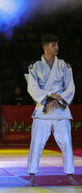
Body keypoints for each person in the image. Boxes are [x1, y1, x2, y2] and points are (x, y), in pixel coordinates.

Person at [26, 34, 78, 186]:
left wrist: (57, 100)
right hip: (43, 110)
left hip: (61, 110)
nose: (57, 48)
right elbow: (32, 88)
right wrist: (48, 97)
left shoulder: (64, 65)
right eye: (54, 45)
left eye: (57, 45)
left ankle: (70, 175)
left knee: (66, 143)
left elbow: (70, 87)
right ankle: (32, 176)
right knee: (36, 143)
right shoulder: (35, 66)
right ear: (46, 47)